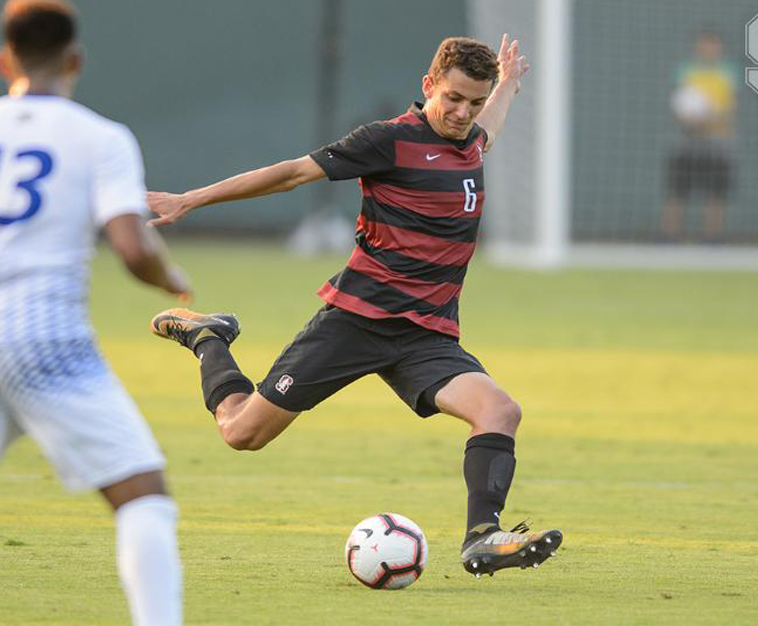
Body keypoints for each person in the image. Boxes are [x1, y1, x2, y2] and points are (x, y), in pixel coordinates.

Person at [148, 35, 562, 578]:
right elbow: (292, 174)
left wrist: (507, 85)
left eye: (475, 103)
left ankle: (482, 538)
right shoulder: (387, 141)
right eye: (454, 98)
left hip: (425, 336)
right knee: (241, 433)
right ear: (428, 86)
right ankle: (209, 338)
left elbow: (492, 127)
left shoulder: (472, 141)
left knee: (501, 410)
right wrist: (190, 199)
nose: (464, 113)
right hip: (355, 322)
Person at [0, 0, 189, 624]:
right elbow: (133, 245)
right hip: (46, 340)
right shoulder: (99, 137)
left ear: (2, 60)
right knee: (143, 495)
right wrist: (170, 279)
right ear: (76, 60)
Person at [661, 30, 737, 242]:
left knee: (716, 191)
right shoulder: (686, 71)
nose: (708, 49)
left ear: (719, 48)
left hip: (718, 142)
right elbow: (679, 103)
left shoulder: (728, 73)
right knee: (677, 189)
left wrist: (709, 119)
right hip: (687, 141)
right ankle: (670, 236)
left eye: (712, 45)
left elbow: (728, 109)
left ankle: (712, 237)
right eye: (703, 44)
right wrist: (690, 121)